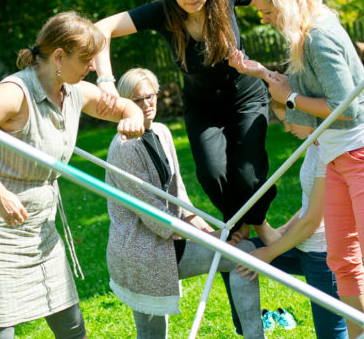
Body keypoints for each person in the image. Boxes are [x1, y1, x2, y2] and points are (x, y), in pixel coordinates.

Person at [0, 12, 144, 339]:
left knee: (73, 329)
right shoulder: (16, 92)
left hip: (41, 229)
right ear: (59, 57)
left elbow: (124, 107)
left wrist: (133, 115)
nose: (93, 66)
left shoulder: (74, 91)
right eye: (86, 59)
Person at [228, 0, 364, 337]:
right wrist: (259, 73)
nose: (263, 19)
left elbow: (343, 106)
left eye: (265, 11)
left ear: (282, 2)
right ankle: (363, 335)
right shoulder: (302, 38)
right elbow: (299, 103)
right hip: (336, 159)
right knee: (341, 261)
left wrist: (289, 97)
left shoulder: (318, 36)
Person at [94, 0, 277, 233]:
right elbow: (102, 28)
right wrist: (105, 80)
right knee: (212, 176)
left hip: (245, 98)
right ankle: (239, 229)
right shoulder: (162, 13)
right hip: (203, 108)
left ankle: (259, 227)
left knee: (248, 177)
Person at [105, 68, 265, 339]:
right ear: (124, 102)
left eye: (150, 96)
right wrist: (209, 239)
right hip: (141, 252)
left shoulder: (162, 132)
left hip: (163, 243)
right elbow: (155, 217)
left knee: (243, 252)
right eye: (137, 99)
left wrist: (212, 231)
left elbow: (178, 196)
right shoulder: (124, 148)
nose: (146, 104)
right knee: (152, 334)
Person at [234, 100, 348, 339]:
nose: (286, 128)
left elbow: (312, 221)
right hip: (301, 245)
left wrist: (269, 252)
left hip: (322, 255)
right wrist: (282, 230)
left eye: (287, 120)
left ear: (306, 114)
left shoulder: (329, 148)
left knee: (333, 336)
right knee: (236, 254)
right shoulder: (314, 145)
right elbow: (309, 205)